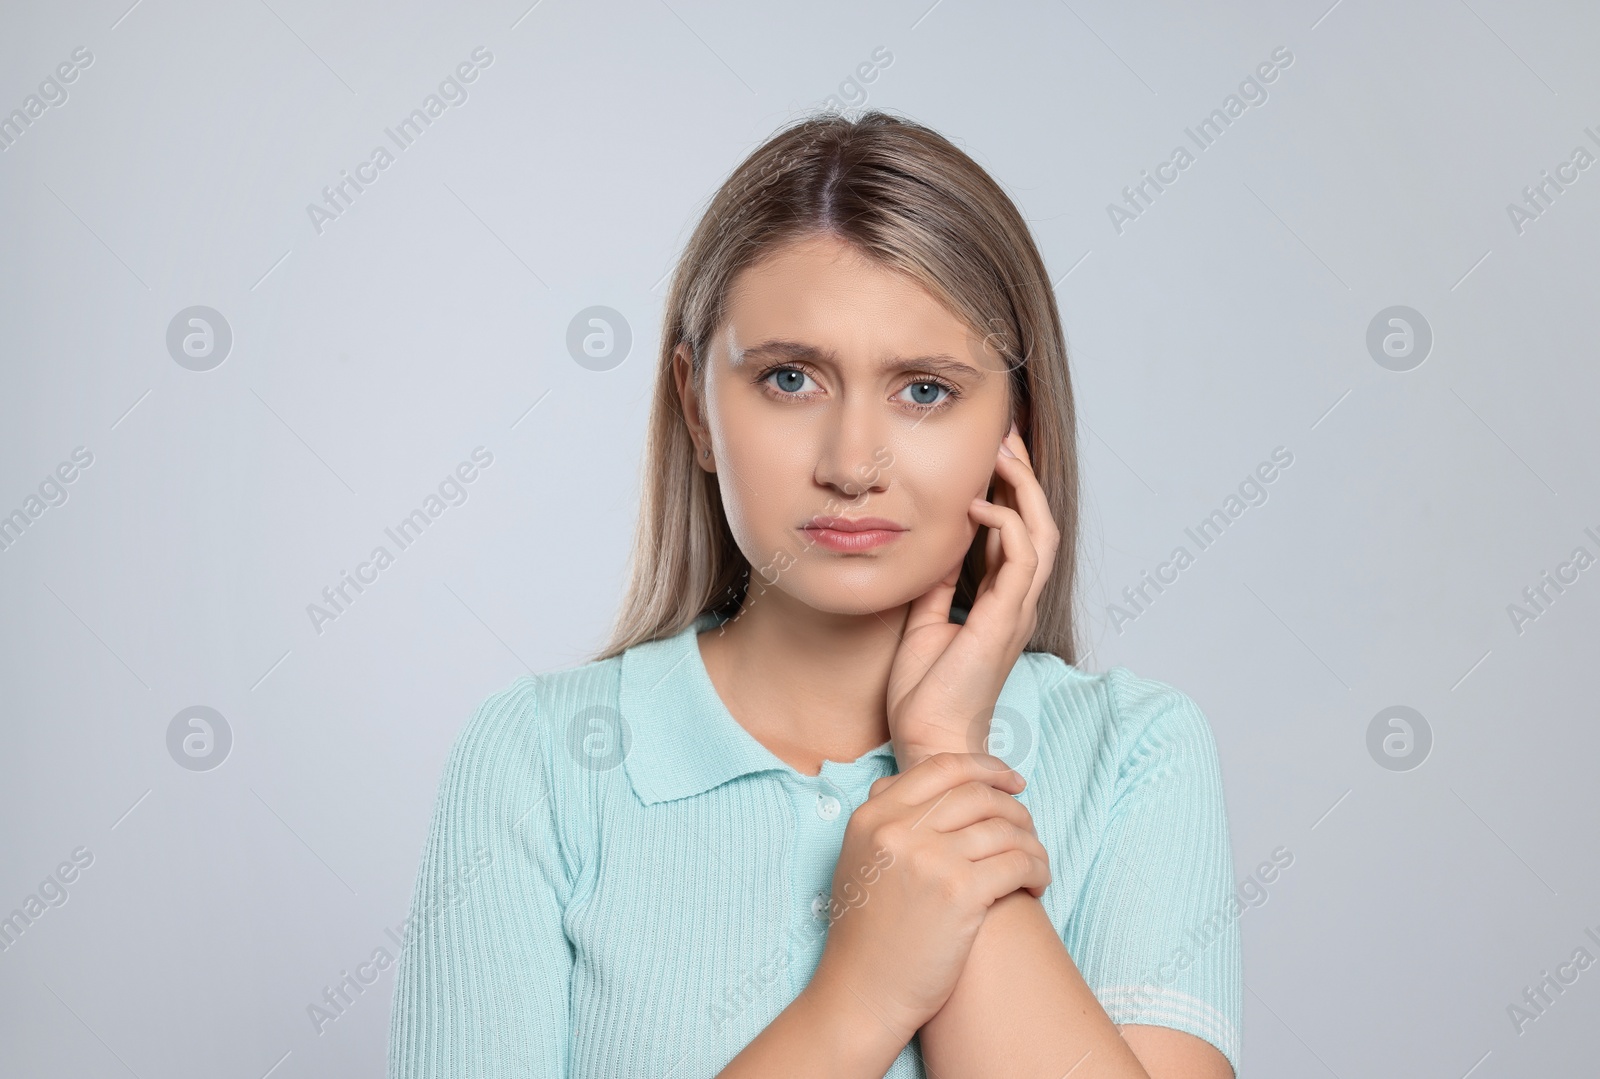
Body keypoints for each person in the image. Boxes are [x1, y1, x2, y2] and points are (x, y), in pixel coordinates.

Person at [388, 110, 1242, 1078]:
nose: (851, 463)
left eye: (923, 389)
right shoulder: (541, 761)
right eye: (790, 378)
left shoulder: (1133, 751)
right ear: (696, 409)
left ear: (1020, 424)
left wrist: (944, 761)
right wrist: (860, 995)